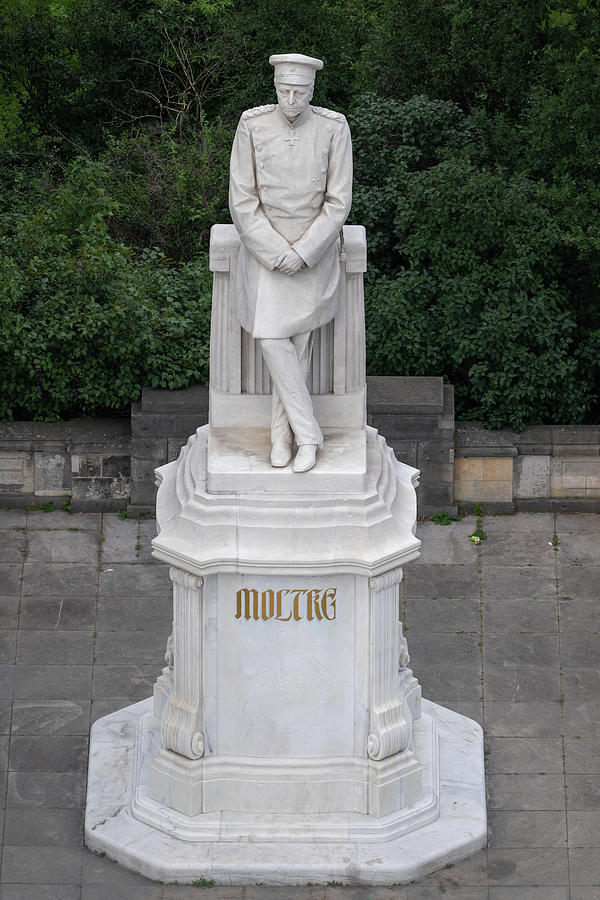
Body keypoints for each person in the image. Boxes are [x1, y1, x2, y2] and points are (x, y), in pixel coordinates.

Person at [229, 53, 353, 472]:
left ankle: (284, 439)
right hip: (266, 258)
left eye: (300, 92)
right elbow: (242, 200)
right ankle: (309, 434)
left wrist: (302, 252)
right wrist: (274, 251)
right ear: (275, 88)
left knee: (298, 347)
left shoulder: (334, 128)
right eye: (285, 91)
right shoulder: (252, 125)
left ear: (312, 91)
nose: (292, 100)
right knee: (271, 337)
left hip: (312, 258)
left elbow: (338, 202)